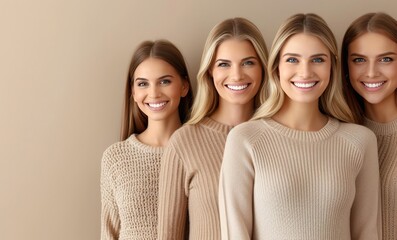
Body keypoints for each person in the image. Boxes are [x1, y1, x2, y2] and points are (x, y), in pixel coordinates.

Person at [218, 13, 381, 239]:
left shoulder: (360, 141)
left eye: (317, 59)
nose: (305, 72)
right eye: (292, 59)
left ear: (332, 67)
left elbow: (368, 233)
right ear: (276, 67)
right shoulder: (245, 140)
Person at [157, 17, 268, 239]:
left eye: (248, 63)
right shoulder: (184, 142)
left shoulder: (278, 136)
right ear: (210, 71)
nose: (237, 75)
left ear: (263, 68)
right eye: (224, 64)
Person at [100, 39, 193, 240]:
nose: (154, 93)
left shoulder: (199, 151)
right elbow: (109, 233)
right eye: (143, 84)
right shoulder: (116, 158)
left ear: (184, 86)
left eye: (165, 81)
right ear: (133, 92)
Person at [341, 12, 397, 240]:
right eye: (359, 60)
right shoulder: (340, 137)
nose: (372, 72)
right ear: (345, 66)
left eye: (386, 59)